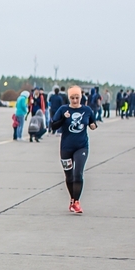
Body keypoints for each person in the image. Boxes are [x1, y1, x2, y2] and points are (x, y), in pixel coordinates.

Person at [50, 86, 97, 214]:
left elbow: (92, 123)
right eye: (72, 98)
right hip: (66, 147)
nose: (75, 101)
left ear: (80, 97)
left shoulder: (87, 110)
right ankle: (72, 199)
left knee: (78, 173)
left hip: (81, 146)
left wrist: (93, 126)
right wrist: (63, 118)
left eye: (77, 98)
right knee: (69, 176)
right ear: (69, 98)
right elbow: (53, 126)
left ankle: (76, 202)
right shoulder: (63, 109)